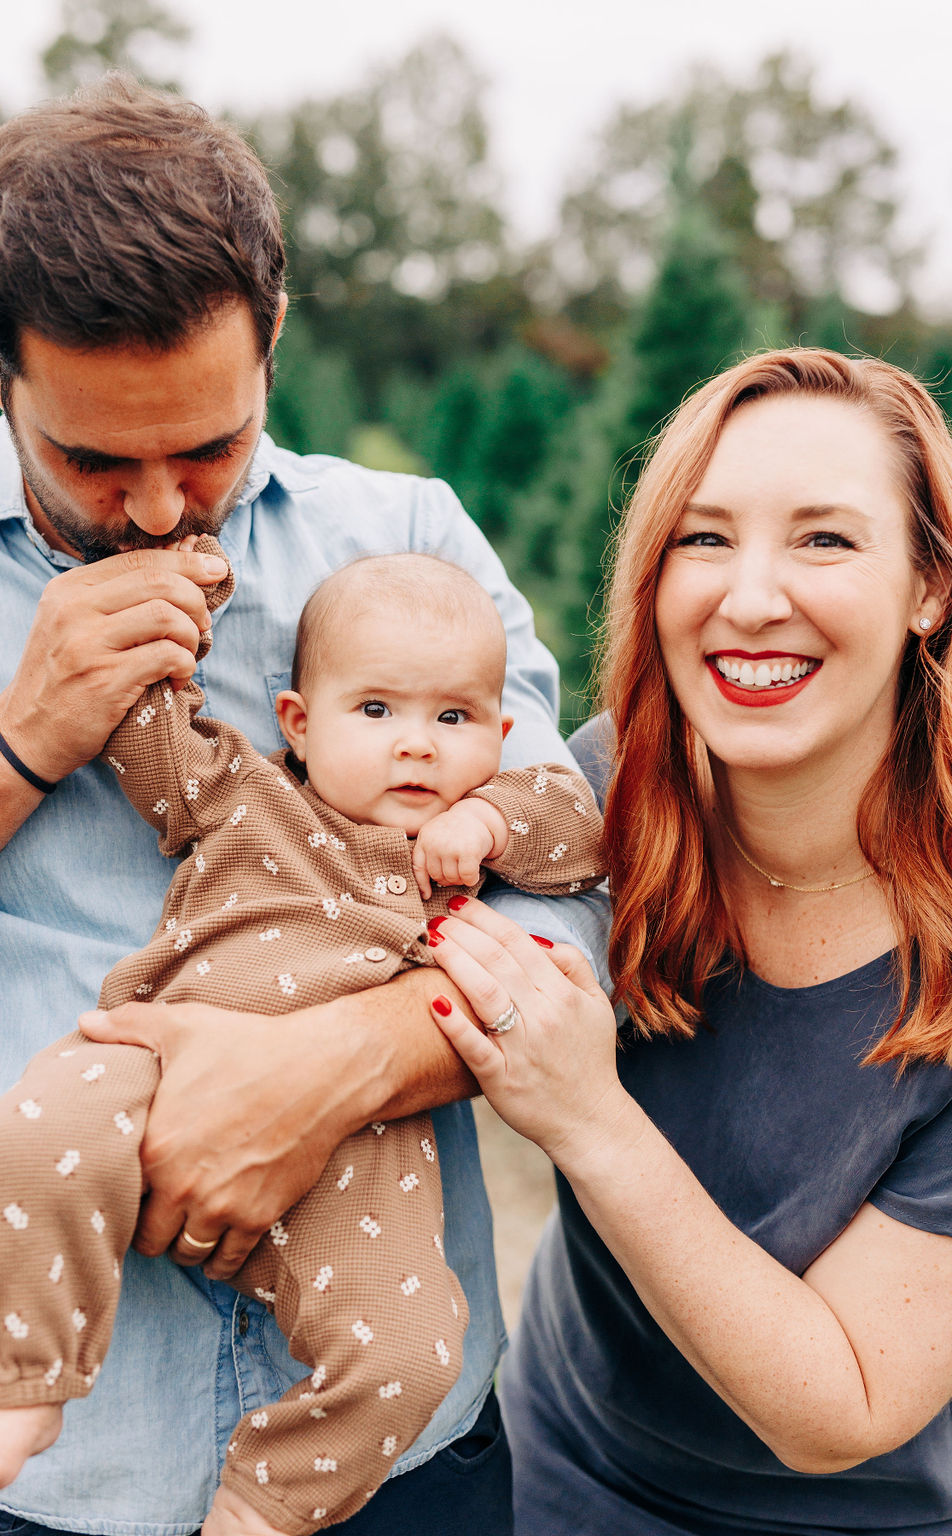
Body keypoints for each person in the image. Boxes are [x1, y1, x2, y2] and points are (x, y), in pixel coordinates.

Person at [0, 73, 608, 1536]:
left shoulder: (406, 544)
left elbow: (570, 918)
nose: (165, 509)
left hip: (401, 1469)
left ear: (274, 340)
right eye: (98, 461)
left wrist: (335, 1070)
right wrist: (21, 735)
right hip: (36, 1491)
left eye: (210, 448)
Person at [0, 546, 603, 1536]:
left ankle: (264, 1506)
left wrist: (495, 819)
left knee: (410, 1351)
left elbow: (580, 835)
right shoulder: (250, 797)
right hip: (155, 1062)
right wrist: (181, 615)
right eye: (375, 712)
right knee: (17, 1149)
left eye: (451, 719)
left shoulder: (453, 855)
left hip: (360, 1147)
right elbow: (146, 733)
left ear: (495, 736)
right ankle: (23, 1388)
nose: (415, 746)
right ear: (298, 722)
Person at [425, 347, 952, 1535]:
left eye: (824, 540)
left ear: (928, 587)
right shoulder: (596, 794)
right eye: (703, 539)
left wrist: (588, 1116)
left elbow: (845, 1407)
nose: (750, 597)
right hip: (561, 1471)